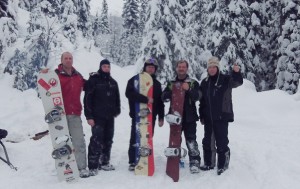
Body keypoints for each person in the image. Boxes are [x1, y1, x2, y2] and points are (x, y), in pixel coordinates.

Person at [199, 56, 243, 175]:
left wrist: (236, 72)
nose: (212, 69)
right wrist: (201, 115)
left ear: (217, 68)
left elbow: (238, 82)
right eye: (210, 67)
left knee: (222, 142)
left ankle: (223, 165)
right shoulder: (205, 82)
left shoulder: (225, 79)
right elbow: (202, 101)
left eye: (214, 67)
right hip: (208, 118)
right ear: (207, 69)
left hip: (222, 117)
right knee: (207, 142)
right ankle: (209, 163)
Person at [162, 60, 201, 174]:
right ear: (176, 68)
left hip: (190, 117)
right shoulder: (171, 82)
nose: (181, 69)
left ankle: (195, 161)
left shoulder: (193, 82)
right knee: (175, 140)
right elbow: (163, 96)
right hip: (175, 117)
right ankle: (175, 159)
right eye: (179, 67)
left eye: (183, 67)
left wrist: (188, 89)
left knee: (191, 140)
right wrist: (170, 92)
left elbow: (198, 96)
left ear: (187, 68)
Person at [54, 52, 89, 178]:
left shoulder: (77, 76)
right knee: (62, 143)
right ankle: (64, 166)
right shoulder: (56, 75)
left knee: (79, 141)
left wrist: (97, 78)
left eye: (70, 58)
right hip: (59, 116)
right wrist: (45, 74)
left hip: (74, 114)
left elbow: (88, 86)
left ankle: (81, 167)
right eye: (66, 58)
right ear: (61, 60)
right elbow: (46, 88)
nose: (68, 60)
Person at [125, 58, 164, 171]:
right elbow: (129, 93)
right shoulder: (135, 80)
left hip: (152, 116)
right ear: (145, 67)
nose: (151, 69)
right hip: (137, 115)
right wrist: (145, 99)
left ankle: (144, 158)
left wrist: (161, 117)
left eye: (153, 67)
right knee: (135, 137)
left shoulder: (156, 84)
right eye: (149, 67)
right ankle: (133, 161)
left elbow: (160, 102)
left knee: (147, 138)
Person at [84, 59, 120, 176]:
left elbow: (117, 99)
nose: (106, 68)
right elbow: (87, 99)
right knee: (96, 140)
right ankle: (93, 166)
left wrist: (117, 110)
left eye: (108, 67)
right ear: (100, 67)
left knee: (108, 139)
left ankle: (104, 162)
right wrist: (89, 116)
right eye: (104, 66)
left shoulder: (113, 82)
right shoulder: (94, 81)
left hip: (110, 117)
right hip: (97, 116)